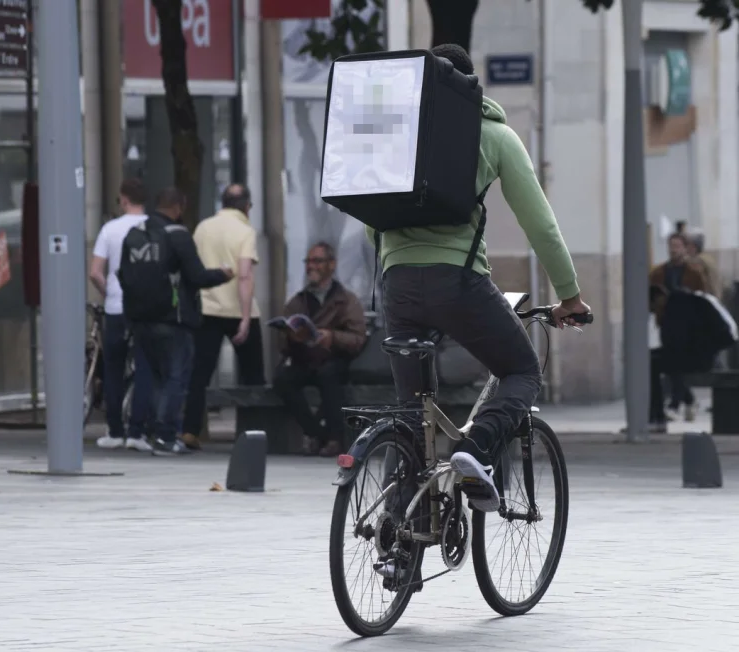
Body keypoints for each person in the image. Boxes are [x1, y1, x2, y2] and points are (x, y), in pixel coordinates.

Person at [373, 44, 590, 514]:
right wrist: (569, 295)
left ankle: (397, 533)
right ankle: (476, 447)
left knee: (410, 408)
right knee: (522, 369)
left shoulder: (402, 134)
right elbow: (541, 226)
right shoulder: (495, 135)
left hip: (398, 284)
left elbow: (373, 219)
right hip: (459, 283)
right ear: (471, 88)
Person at [119, 187, 234, 455]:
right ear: (178, 208)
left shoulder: (135, 235)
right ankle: (166, 435)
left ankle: (156, 432)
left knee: (158, 378)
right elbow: (196, 276)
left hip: (140, 319)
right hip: (173, 319)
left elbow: (122, 275)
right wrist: (223, 275)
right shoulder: (178, 235)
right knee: (176, 378)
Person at [182, 184, 265, 450]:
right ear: (247, 207)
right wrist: (243, 318)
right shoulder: (245, 231)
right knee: (253, 376)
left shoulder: (203, 228)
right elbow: (244, 275)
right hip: (240, 311)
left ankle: (189, 430)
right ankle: (253, 434)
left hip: (207, 309)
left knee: (199, 374)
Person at [272, 242, 367, 458]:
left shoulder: (346, 300)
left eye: (317, 261)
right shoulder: (298, 300)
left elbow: (358, 338)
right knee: (282, 379)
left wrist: (331, 337)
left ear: (331, 265)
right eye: (308, 261)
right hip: (304, 359)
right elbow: (281, 345)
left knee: (330, 375)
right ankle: (317, 433)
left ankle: (334, 438)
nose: (311, 266)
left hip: (333, 359)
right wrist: (292, 338)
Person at [89, 178, 154, 452]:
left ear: (124, 200)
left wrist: (108, 292)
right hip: (147, 309)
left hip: (117, 307)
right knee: (145, 368)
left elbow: (95, 272)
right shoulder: (154, 228)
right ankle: (137, 432)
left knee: (113, 369)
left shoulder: (110, 229)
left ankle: (115, 430)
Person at [650, 232, 707, 422]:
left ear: (684, 248)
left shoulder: (694, 272)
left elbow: (704, 299)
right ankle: (688, 400)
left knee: (677, 364)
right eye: (671, 245)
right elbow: (650, 298)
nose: (673, 249)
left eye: (677, 246)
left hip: (688, 328)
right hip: (667, 324)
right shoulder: (659, 273)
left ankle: (675, 405)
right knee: (674, 365)